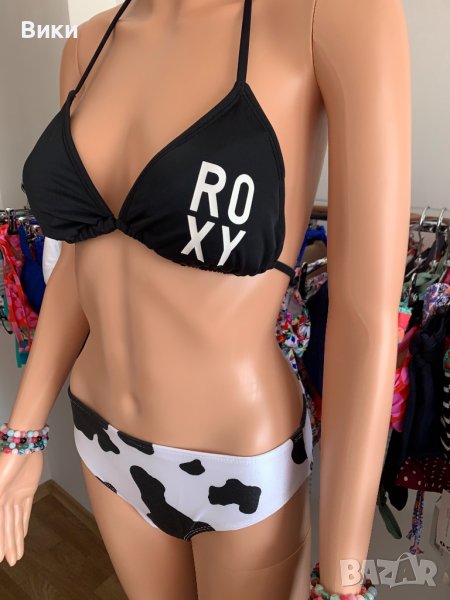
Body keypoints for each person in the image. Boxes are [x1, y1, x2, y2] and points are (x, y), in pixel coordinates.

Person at [1, 0, 411, 598]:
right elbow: (82, 258)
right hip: (101, 436)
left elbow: (364, 319)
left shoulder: (330, 15)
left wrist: (344, 577)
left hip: (237, 461)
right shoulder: (87, 44)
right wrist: (21, 433)